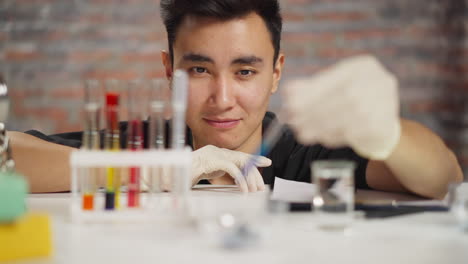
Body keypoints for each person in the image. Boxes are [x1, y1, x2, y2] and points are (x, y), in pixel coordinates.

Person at [8, 0, 462, 197]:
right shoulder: (143, 146)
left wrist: (387, 133)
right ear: (170, 73)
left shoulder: (309, 155)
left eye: (245, 71)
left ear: (276, 72)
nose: (222, 98)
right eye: (199, 70)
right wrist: (156, 171)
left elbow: (442, 178)